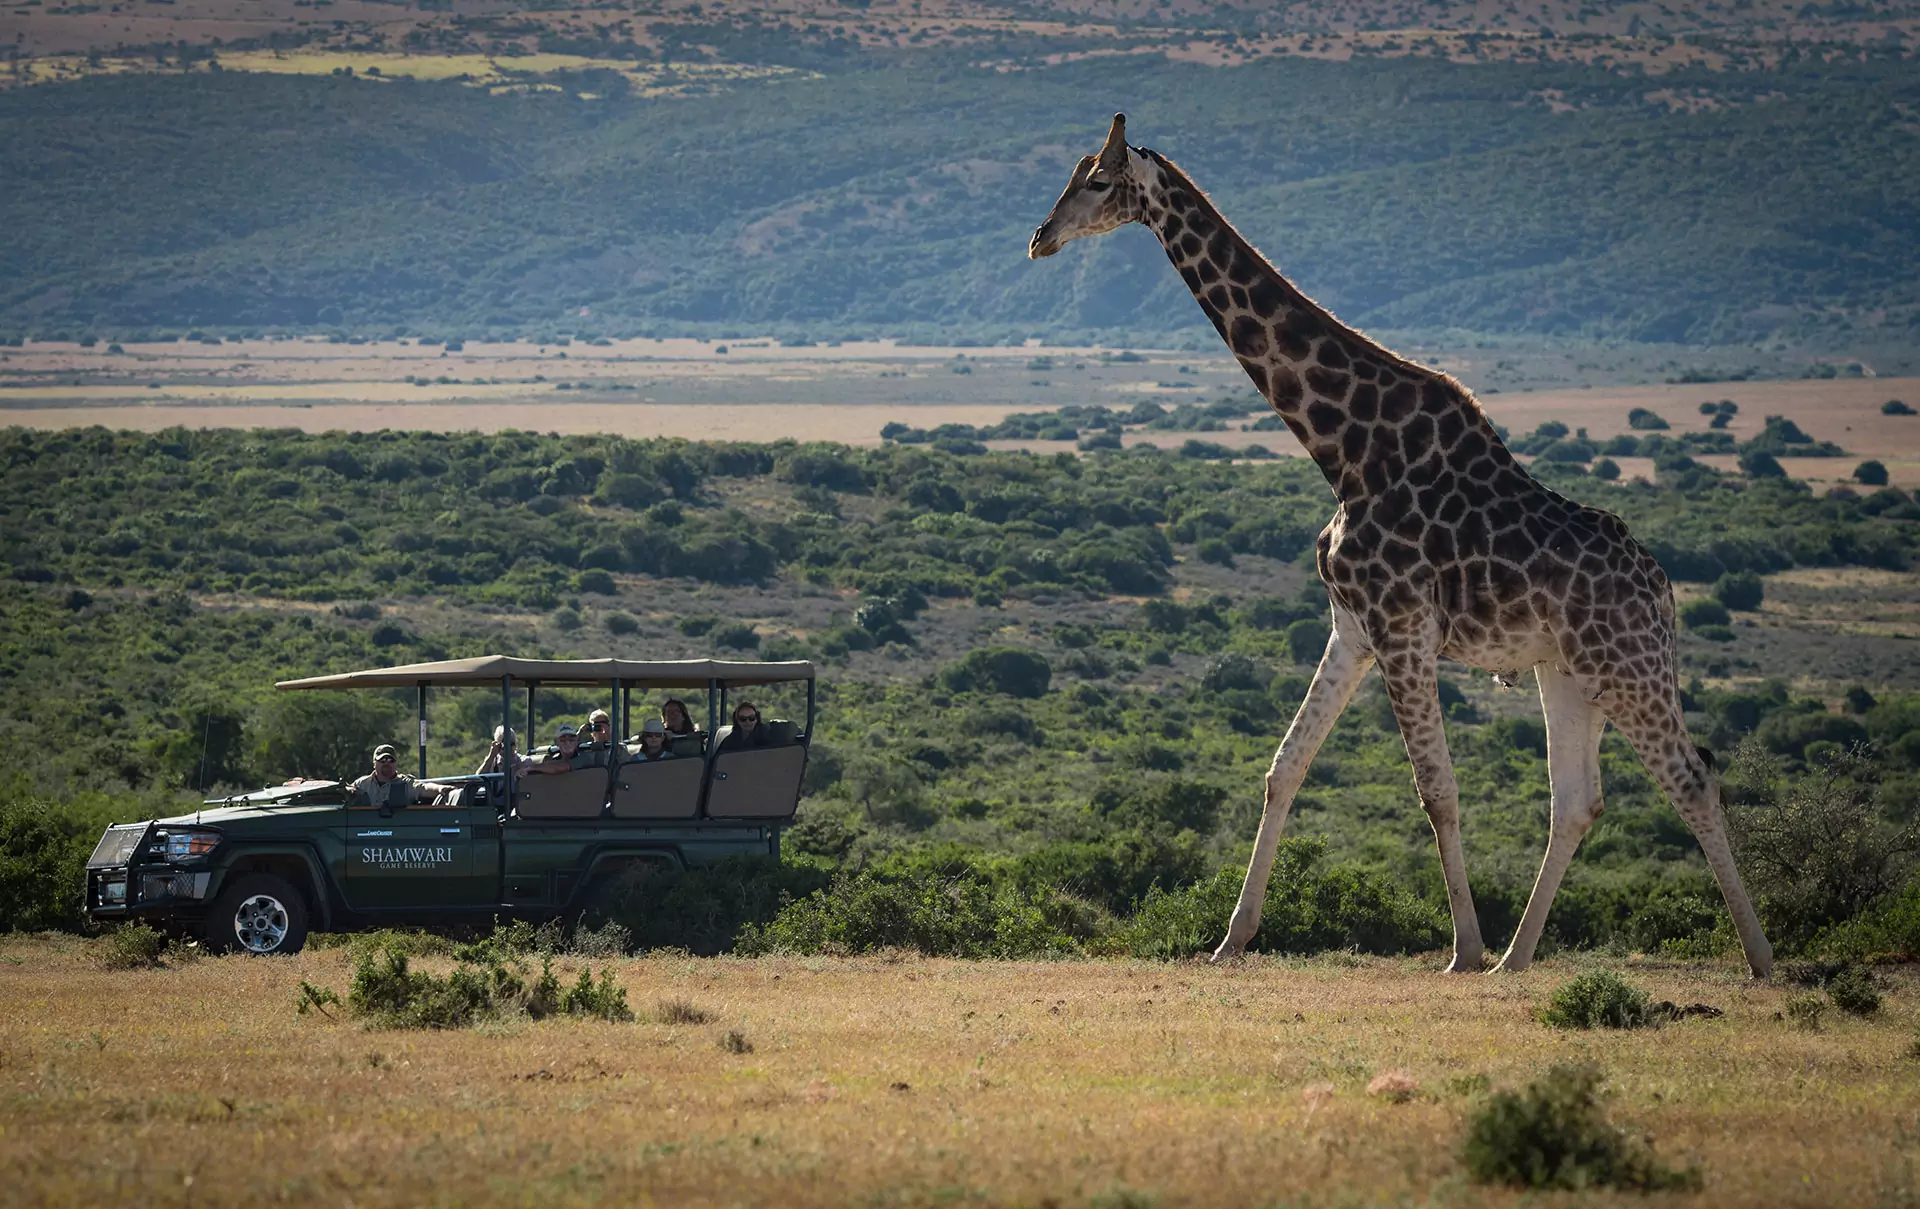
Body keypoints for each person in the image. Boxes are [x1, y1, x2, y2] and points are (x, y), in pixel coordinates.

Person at [350, 744, 456, 808]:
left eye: (390, 760)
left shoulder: (406, 783)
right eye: (382, 760)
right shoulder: (362, 783)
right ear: (374, 763)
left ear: (396, 763)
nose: (386, 763)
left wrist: (440, 788)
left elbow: (424, 788)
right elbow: (345, 795)